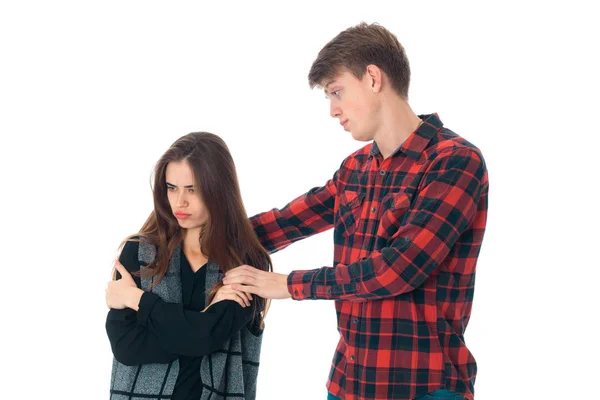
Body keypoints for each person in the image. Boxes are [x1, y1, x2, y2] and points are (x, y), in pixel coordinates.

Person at [222, 23, 488, 400]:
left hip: (423, 386)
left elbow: (399, 268)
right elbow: (288, 221)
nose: (333, 110)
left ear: (373, 78)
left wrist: (287, 285)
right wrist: (195, 235)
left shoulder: (455, 162)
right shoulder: (355, 169)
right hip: (348, 383)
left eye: (337, 92)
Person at [105, 132, 271, 400]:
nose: (179, 202)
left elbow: (203, 338)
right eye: (172, 188)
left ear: (219, 189)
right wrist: (201, 322)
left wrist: (137, 299)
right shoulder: (138, 253)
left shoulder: (245, 262)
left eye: (192, 189)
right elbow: (126, 347)